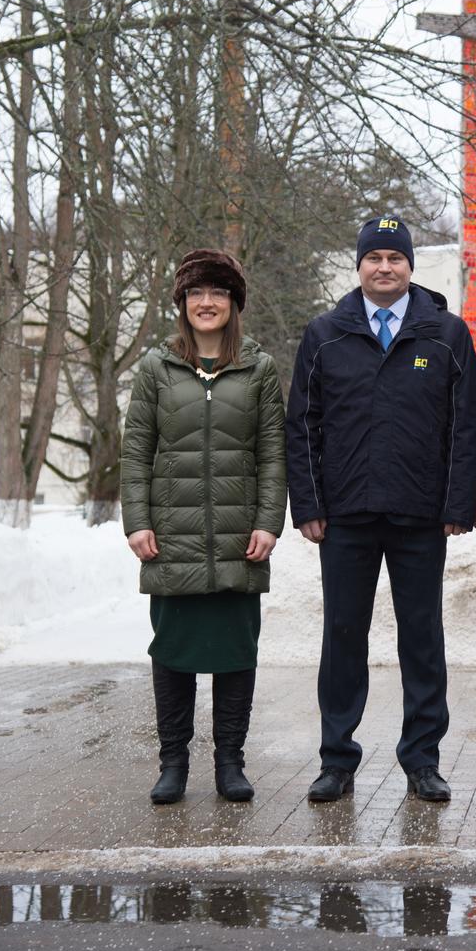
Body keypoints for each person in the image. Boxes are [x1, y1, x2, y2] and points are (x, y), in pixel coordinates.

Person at [286, 217, 476, 803]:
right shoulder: (326, 335)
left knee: (422, 638)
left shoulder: (445, 334)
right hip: (345, 515)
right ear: (359, 266)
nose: (385, 267)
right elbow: (302, 427)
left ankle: (422, 759)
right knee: (343, 636)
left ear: (411, 267)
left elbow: (467, 426)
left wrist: (457, 504)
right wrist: (309, 505)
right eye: (375, 258)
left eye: (396, 258)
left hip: (421, 515)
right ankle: (337, 760)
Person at [121, 248, 286, 805]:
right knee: (173, 652)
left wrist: (269, 522)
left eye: (217, 292)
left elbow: (272, 454)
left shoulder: (259, 369)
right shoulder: (156, 369)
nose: (206, 302)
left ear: (234, 302)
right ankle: (173, 765)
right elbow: (137, 450)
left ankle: (230, 763)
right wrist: (137, 521)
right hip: (173, 537)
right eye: (196, 293)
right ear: (183, 303)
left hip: (241, 538)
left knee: (237, 652)